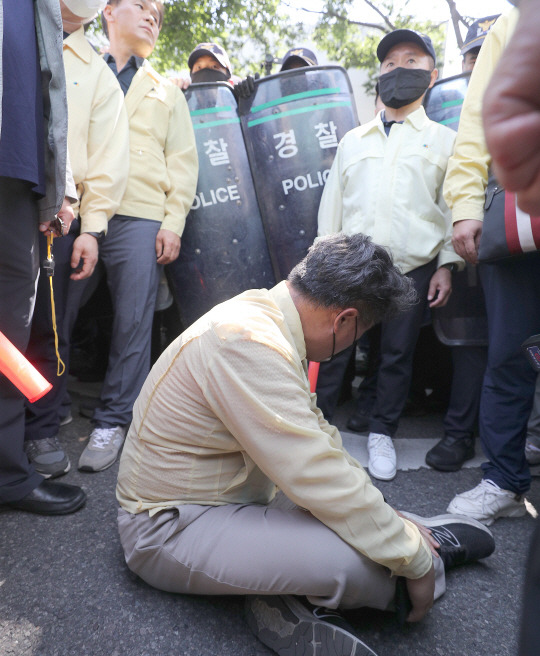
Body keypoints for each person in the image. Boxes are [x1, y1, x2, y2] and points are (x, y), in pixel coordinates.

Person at [116, 233, 494, 656]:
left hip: (239, 497)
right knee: (362, 566)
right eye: (361, 333)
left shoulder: (266, 313)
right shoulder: (248, 340)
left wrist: (391, 526)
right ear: (345, 320)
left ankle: (383, 553)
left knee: (370, 527)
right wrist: (415, 562)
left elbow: (318, 442)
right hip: (171, 528)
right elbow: (314, 470)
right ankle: (422, 557)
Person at [317, 29, 461, 481]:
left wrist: (446, 265)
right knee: (333, 350)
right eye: (391, 63)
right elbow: (332, 205)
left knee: (398, 355)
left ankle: (382, 433)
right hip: (350, 264)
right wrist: (323, 259)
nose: (400, 70)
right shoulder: (353, 141)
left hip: (411, 267)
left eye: (413, 62)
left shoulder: (443, 141)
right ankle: (313, 430)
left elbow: (454, 207)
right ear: (379, 76)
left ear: (432, 76)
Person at [76, 0, 198, 473]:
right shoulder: (81, 69)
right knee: (54, 312)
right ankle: (42, 414)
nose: (152, 16)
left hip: (142, 216)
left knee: (133, 322)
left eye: (159, 14)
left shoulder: (167, 90)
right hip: (80, 211)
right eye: (143, 6)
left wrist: (172, 223)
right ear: (108, 11)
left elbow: (183, 164)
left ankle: (112, 420)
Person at [22, 0, 129, 480]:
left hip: (62, 214)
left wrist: (93, 229)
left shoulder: (99, 76)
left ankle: (40, 426)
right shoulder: (15, 35)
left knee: (50, 327)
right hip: (11, 192)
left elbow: (107, 160)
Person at [442, 8, 538, 525]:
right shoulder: (519, 19)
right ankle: (503, 476)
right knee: (511, 352)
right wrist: (464, 205)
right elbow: (480, 116)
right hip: (522, 214)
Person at [0, 0, 85, 514]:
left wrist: (62, 187)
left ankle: (9, 471)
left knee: (11, 333)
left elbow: (53, 90)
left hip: (21, 174)